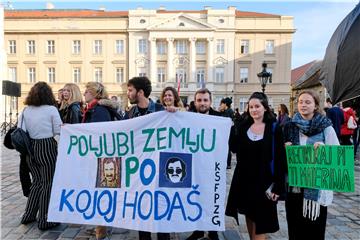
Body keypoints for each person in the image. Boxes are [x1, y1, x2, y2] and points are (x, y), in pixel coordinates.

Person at [225, 92, 286, 240]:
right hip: (245, 180)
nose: (254, 110)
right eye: (251, 107)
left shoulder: (274, 128)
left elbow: (280, 158)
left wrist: (278, 186)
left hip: (264, 182)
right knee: (250, 215)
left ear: (265, 107)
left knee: (261, 222)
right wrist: (233, 129)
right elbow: (234, 148)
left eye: (257, 106)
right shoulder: (244, 125)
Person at [283, 90, 339, 240]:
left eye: (308, 102)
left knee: (314, 231)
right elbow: (280, 158)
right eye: (300, 102)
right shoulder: (290, 126)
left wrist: (324, 149)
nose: (303, 105)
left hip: (317, 187)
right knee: (295, 230)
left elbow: (337, 155)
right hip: (294, 187)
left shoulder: (326, 127)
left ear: (315, 106)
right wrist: (285, 149)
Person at [124, 76, 169, 240]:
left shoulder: (161, 110)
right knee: (143, 205)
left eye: (130, 90)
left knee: (161, 206)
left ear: (140, 92)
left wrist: (175, 113)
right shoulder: (130, 114)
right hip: (139, 170)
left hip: (159, 168)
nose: (128, 93)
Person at [19, 82, 62, 230]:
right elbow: (58, 130)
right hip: (47, 146)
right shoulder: (51, 109)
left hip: (30, 148)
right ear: (48, 94)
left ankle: (29, 214)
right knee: (48, 183)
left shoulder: (25, 110)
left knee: (37, 181)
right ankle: (45, 219)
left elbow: (21, 130)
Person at [82, 82, 119, 240]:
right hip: (101, 158)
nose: (84, 94)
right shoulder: (93, 109)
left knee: (101, 193)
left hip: (103, 159)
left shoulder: (99, 110)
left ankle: (101, 232)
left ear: (95, 94)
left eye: (87, 91)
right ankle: (101, 229)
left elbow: (99, 134)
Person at [186, 88, 221, 240]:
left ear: (210, 102)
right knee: (196, 198)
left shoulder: (220, 119)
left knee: (213, 199)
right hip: (194, 166)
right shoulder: (188, 118)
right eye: (199, 100)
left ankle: (213, 232)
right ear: (195, 102)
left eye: (205, 100)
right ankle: (198, 230)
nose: (202, 103)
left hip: (213, 167)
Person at [219, 97, 234, 169]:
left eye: (221, 104)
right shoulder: (225, 111)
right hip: (225, 132)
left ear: (225, 104)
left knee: (227, 148)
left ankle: (228, 163)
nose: (220, 105)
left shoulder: (229, 111)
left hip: (228, 133)